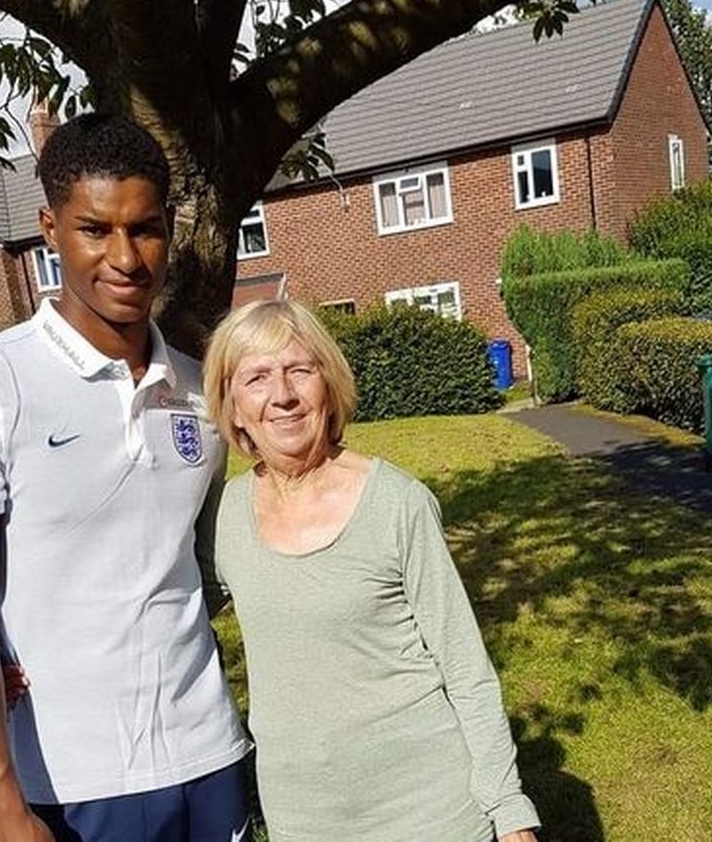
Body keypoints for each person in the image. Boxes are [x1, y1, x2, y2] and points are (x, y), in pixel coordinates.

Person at [0, 113, 252, 842]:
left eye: (146, 229)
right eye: (95, 229)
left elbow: (210, 566)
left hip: (207, 756)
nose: (126, 257)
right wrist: (3, 806)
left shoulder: (201, 393)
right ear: (49, 228)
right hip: (60, 783)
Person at [199, 299, 541, 841]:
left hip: (431, 809)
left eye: (299, 370)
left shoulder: (398, 503)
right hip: (305, 818)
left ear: (329, 386)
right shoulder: (222, 520)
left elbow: (465, 667)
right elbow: (164, 614)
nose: (282, 394)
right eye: (257, 377)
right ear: (233, 406)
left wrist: (508, 807)